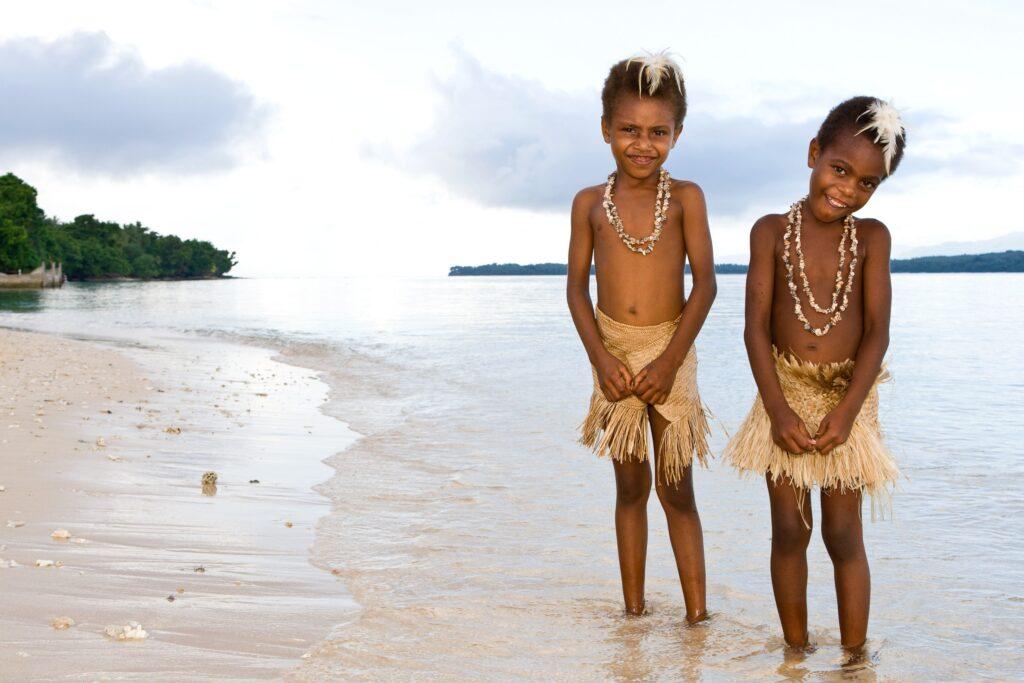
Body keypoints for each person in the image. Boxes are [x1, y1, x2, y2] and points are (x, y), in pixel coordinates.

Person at [724, 96, 906, 653]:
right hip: (784, 392)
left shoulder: (873, 238)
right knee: (789, 530)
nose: (849, 189)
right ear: (813, 154)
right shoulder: (771, 231)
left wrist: (848, 413)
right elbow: (755, 330)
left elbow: (877, 332)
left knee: (843, 532)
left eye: (867, 183)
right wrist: (777, 410)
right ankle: (795, 654)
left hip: (849, 399)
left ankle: (854, 659)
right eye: (840, 169)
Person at [567, 52, 717, 623]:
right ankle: (633, 615)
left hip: (670, 354)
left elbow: (704, 286)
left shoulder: (686, 198)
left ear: (677, 135)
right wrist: (601, 358)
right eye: (629, 129)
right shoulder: (588, 204)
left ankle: (697, 620)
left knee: (676, 491)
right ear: (606, 129)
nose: (642, 144)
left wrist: (672, 362)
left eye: (658, 132)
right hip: (615, 355)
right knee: (630, 485)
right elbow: (577, 291)